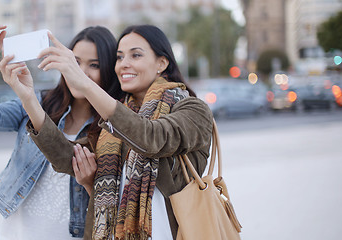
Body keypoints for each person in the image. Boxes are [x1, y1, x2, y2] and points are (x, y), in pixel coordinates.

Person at [17, 24, 214, 240]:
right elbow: (69, 158)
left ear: (162, 62)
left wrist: (84, 84)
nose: (123, 65)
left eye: (135, 55)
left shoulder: (193, 109)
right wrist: (29, 100)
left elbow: (151, 138)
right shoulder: (115, 120)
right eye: (119, 57)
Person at [0, 23, 124, 239]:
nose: (80, 72)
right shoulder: (39, 102)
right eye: (74, 62)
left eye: (94, 65)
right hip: (18, 231)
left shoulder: (115, 124)